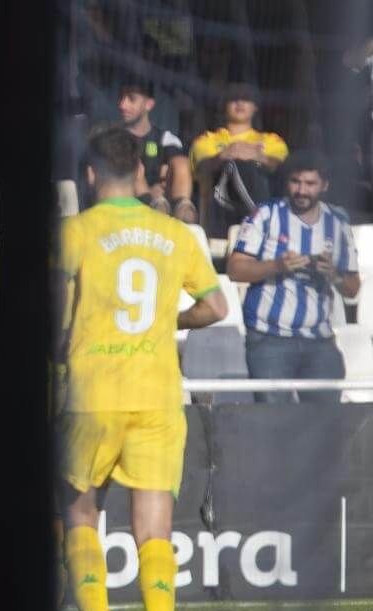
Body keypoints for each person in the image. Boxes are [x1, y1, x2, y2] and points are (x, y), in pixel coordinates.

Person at [56, 128, 226, 611]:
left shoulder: (76, 232)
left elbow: (53, 311)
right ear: (145, 176)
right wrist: (168, 323)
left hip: (92, 394)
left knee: (78, 516)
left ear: (90, 176)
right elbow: (216, 305)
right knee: (154, 531)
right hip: (158, 395)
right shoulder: (174, 233)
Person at [226, 151, 360, 403]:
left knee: (325, 424)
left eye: (310, 184)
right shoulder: (265, 215)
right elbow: (235, 270)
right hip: (269, 339)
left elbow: (352, 288)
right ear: (287, 182)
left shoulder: (338, 224)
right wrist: (277, 265)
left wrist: (334, 275)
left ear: (324, 185)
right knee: (274, 424)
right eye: (295, 182)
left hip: (320, 342)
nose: (301, 190)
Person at [190, 83, 289, 237]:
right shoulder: (207, 139)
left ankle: (259, 221)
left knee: (245, 166)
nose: (240, 103)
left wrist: (258, 157)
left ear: (255, 106)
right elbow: (201, 168)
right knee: (232, 165)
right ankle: (261, 223)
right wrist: (223, 156)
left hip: (262, 201)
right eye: (233, 98)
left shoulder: (271, 140)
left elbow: (281, 168)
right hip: (221, 213)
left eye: (246, 99)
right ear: (224, 105)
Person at [117, 77, 196, 223]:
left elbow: (174, 173)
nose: (122, 105)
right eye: (121, 98)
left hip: (164, 206)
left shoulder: (166, 138)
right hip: (126, 210)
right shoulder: (113, 138)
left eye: (131, 99)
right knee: (133, 166)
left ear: (149, 104)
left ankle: (183, 218)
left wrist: (161, 191)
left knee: (182, 163)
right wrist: (149, 194)